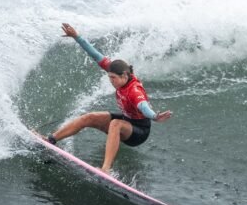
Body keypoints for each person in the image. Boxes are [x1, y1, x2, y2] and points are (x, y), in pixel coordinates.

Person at [46, 23, 172, 173]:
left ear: (124, 75)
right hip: (127, 120)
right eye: (109, 77)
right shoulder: (118, 71)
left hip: (139, 131)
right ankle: (51, 140)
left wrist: (154, 117)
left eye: (113, 78)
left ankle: (105, 169)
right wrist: (76, 37)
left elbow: (143, 106)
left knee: (115, 124)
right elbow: (95, 54)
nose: (111, 81)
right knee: (89, 117)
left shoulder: (134, 90)